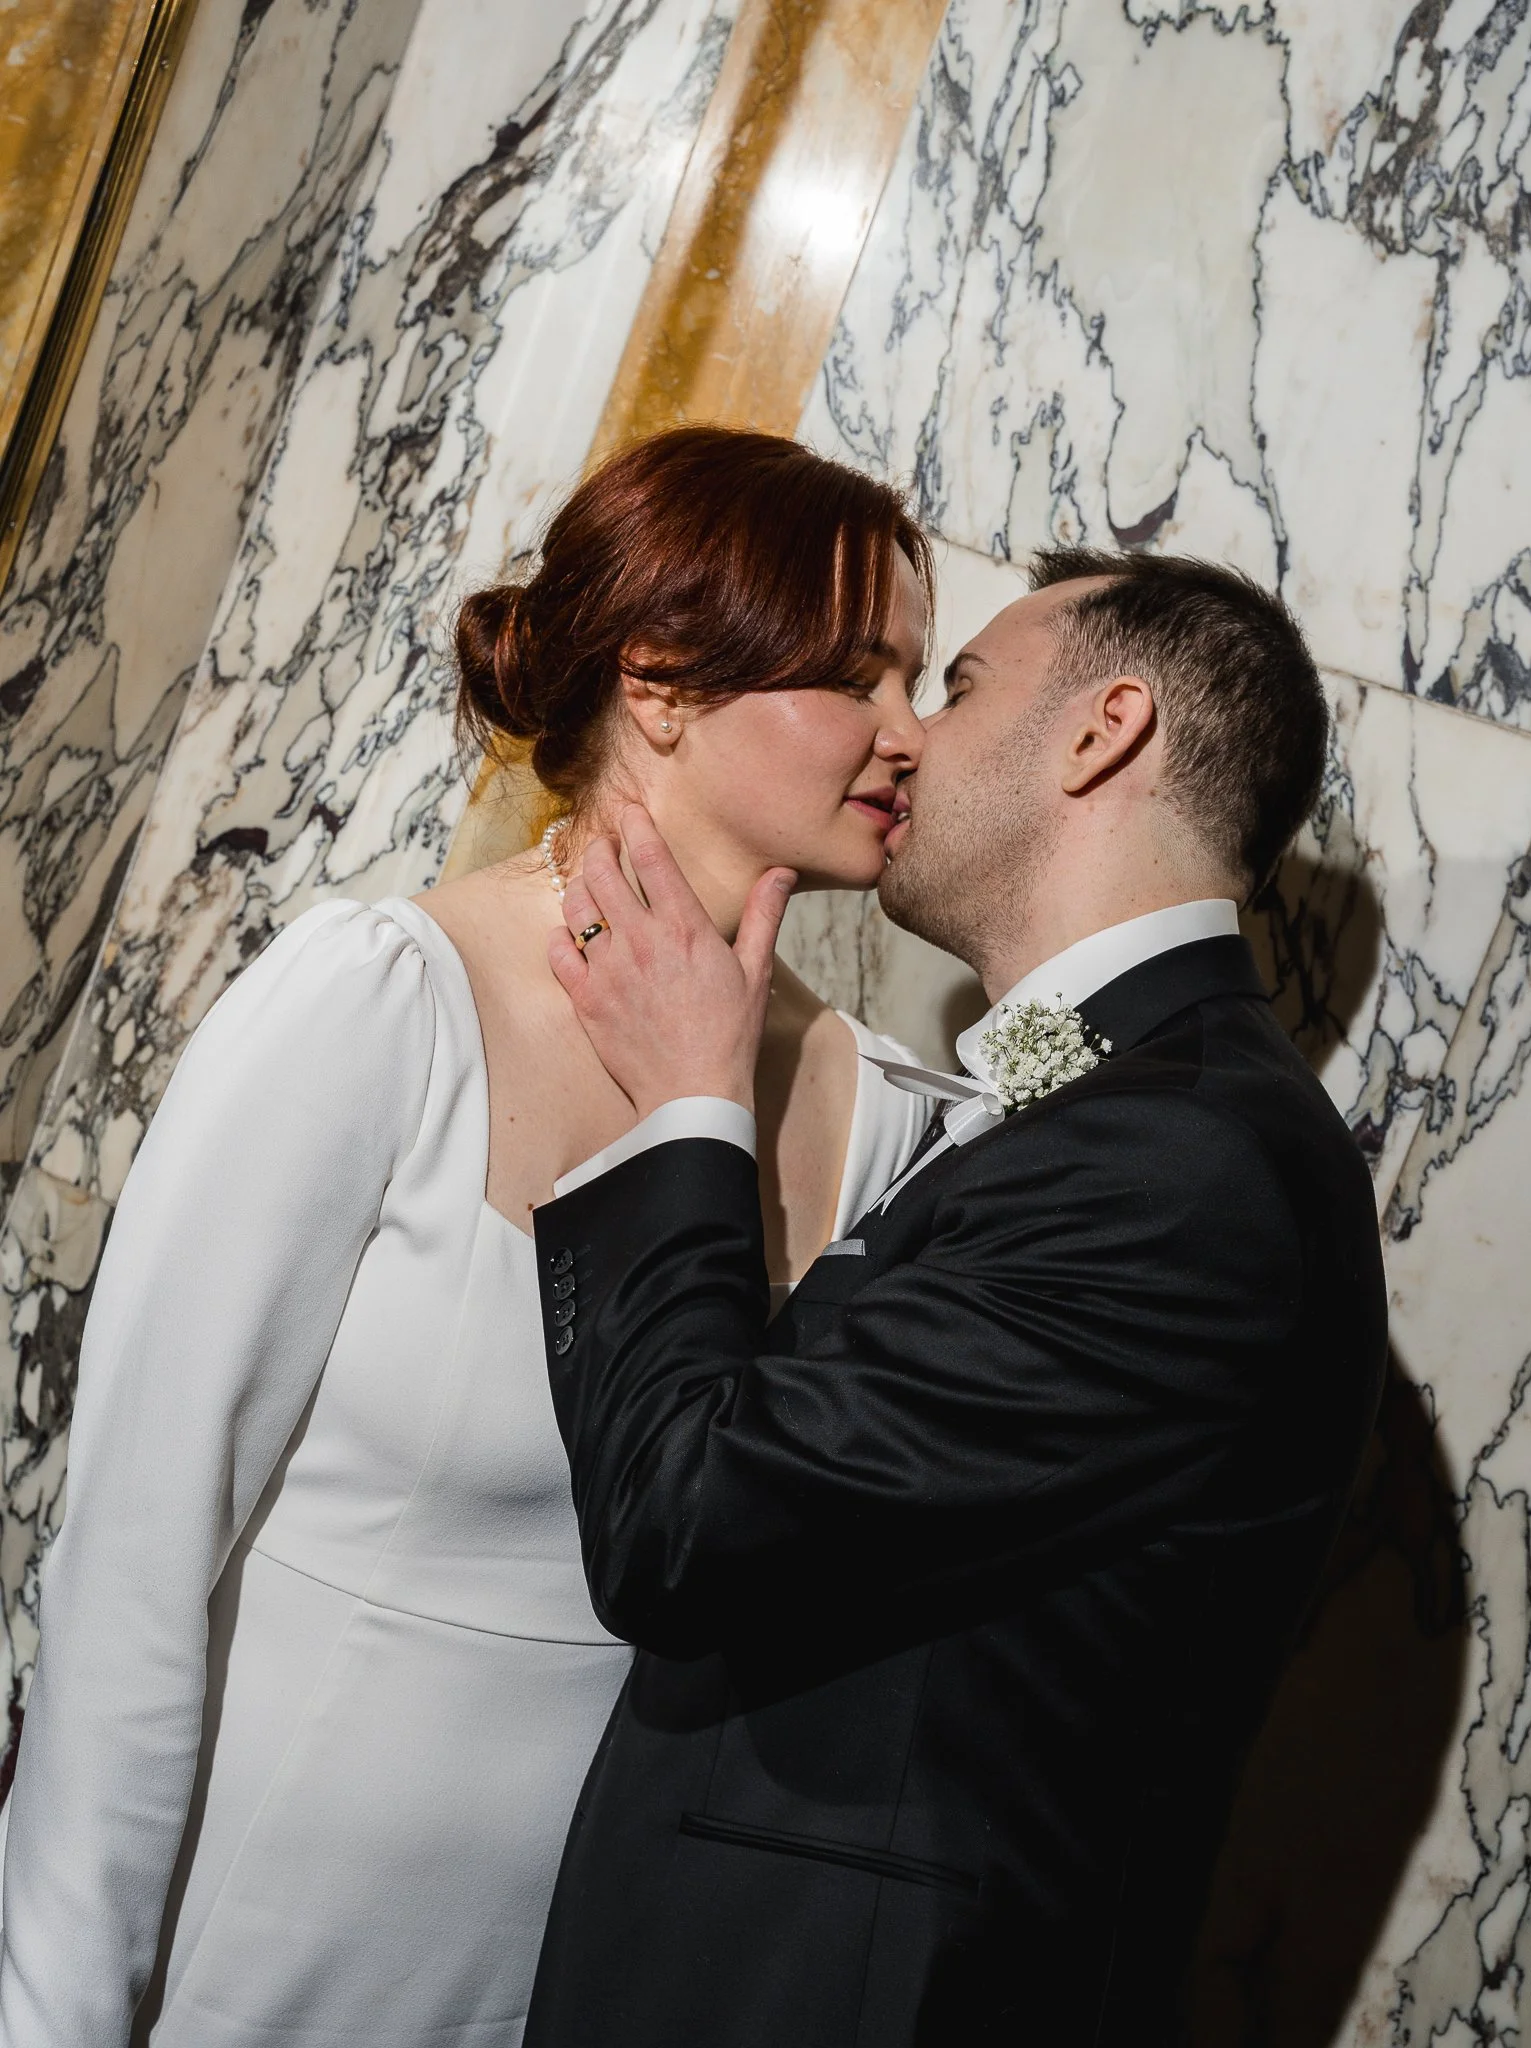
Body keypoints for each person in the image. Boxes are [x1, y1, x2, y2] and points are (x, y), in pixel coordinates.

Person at [0, 427, 937, 2047]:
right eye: (858, 675)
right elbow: (135, 1575)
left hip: (583, 1984)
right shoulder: (379, 1002)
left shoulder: (884, 1118)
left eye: (918, 678)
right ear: (659, 683)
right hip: (247, 1958)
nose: (909, 735)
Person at [522, 549, 1389, 2045]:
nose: (904, 736)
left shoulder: (1181, 1165)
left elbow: (687, 1525)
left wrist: (687, 1106)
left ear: (1102, 731)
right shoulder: (1106, 1092)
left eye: (959, 685)